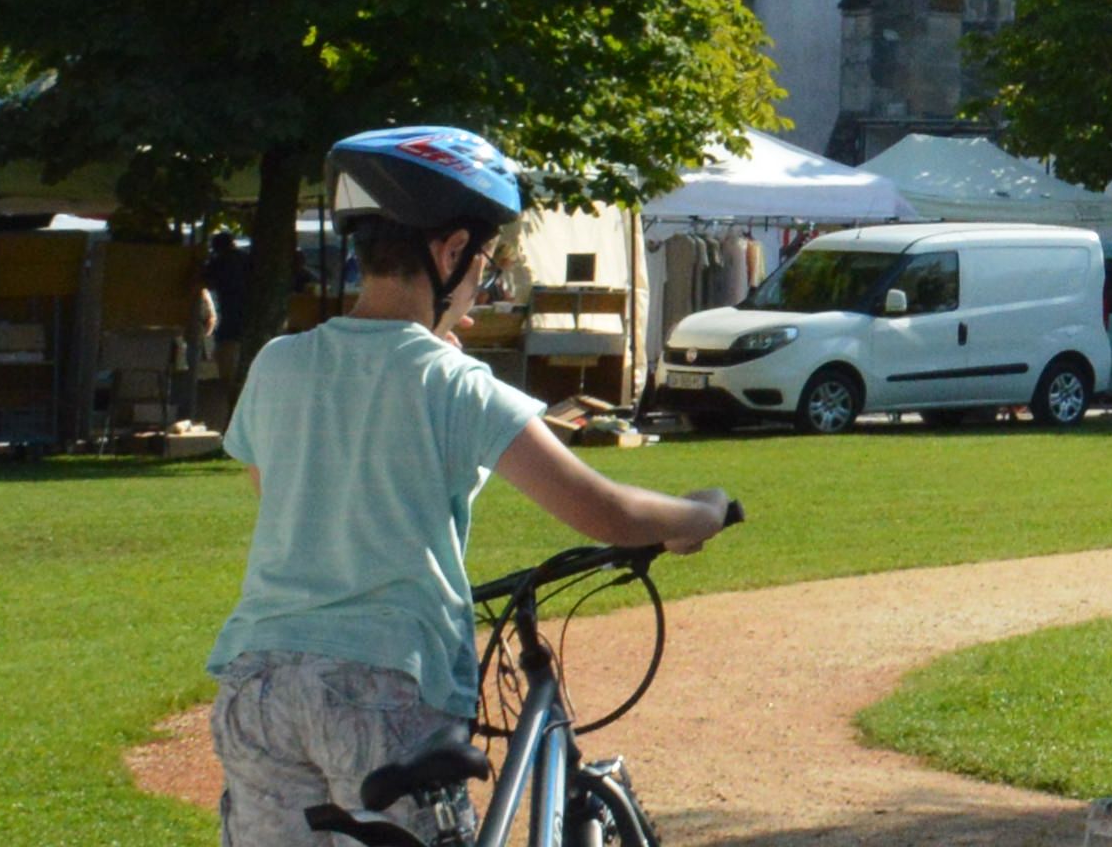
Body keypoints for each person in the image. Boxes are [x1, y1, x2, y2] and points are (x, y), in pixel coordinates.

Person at [209, 127, 735, 847]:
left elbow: (275, 488)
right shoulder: (453, 382)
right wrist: (698, 513)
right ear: (450, 251)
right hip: (383, 686)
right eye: (484, 262)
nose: (480, 283)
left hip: (257, 685)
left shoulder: (279, 363)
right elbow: (603, 510)